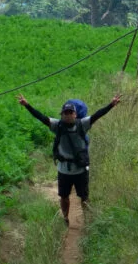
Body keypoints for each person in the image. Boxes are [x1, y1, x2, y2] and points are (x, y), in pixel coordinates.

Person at [17, 92, 122, 222]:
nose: (68, 115)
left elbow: (97, 115)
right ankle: (66, 218)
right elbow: (41, 117)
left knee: (84, 197)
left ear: (75, 114)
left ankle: (88, 220)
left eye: (70, 112)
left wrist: (111, 105)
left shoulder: (82, 124)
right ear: (61, 115)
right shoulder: (57, 126)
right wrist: (27, 105)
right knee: (64, 197)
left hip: (81, 169)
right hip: (64, 170)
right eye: (65, 113)